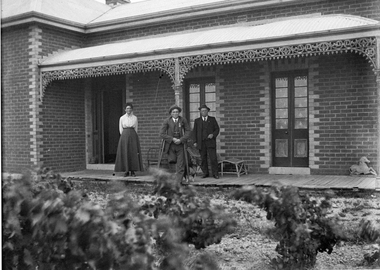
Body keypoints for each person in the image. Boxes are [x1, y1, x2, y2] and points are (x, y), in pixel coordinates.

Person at [160, 104, 191, 182]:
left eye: (177, 112)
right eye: (173, 112)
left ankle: (178, 181)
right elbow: (162, 133)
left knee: (180, 163)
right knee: (172, 161)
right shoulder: (167, 121)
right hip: (170, 145)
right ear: (171, 113)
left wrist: (181, 139)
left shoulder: (183, 120)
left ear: (179, 113)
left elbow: (188, 131)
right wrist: (172, 139)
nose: (175, 113)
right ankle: (173, 178)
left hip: (181, 145)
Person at [114, 103, 143, 177]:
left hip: (133, 135)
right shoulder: (122, 118)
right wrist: (124, 136)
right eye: (127, 108)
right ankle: (126, 171)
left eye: (130, 108)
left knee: (133, 152)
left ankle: (133, 171)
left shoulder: (135, 118)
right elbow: (120, 129)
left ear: (132, 109)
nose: (128, 110)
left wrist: (133, 136)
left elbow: (136, 128)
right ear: (125, 110)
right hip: (124, 135)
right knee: (125, 152)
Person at [192, 104, 220, 179]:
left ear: (208, 111)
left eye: (205, 110)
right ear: (200, 112)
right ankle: (205, 173)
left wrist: (213, 135)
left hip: (210, 142)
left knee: (213, 158)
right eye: (202, 111)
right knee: (203, 159)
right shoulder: (197, 121)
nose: (203, 112)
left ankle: (215, 174)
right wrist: (194, 141)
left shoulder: (212, 119)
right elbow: (194, 132)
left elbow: (217, 129)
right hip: (201, 142)